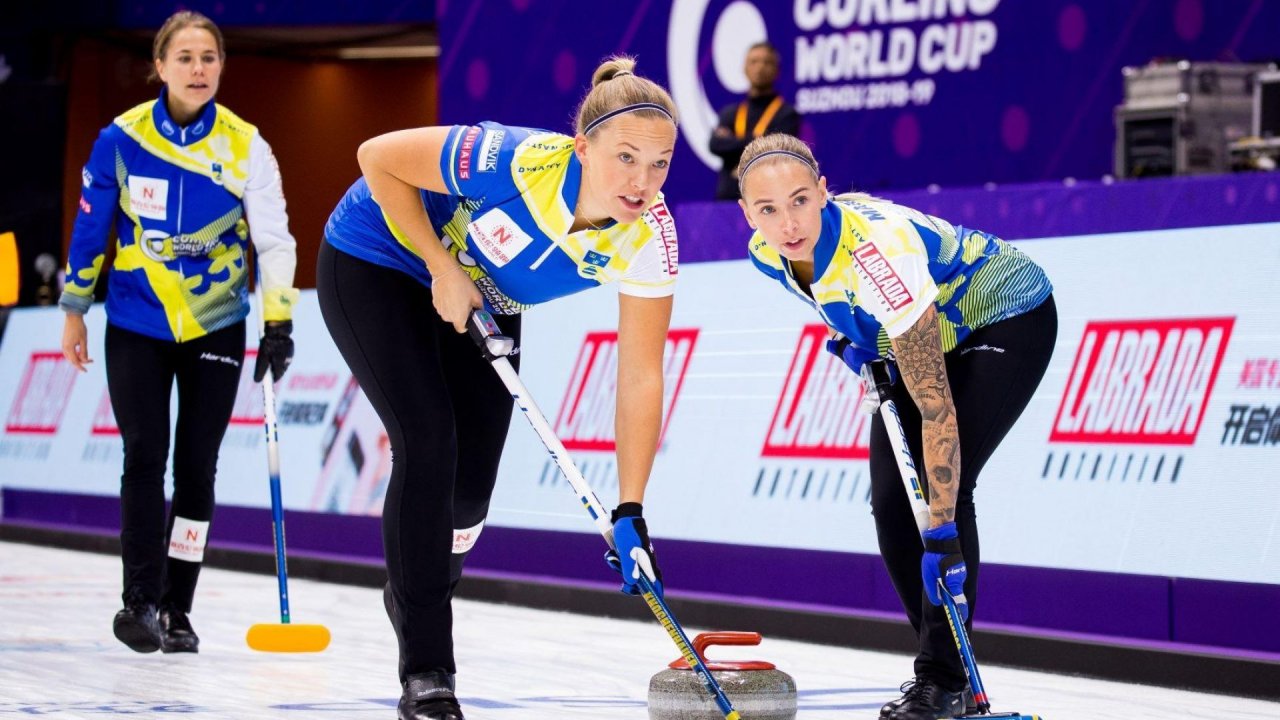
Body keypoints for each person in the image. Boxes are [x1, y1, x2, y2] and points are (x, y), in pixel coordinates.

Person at [317, 55, 679, 720]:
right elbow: (377, 157)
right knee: (428, 442)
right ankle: (427, 668)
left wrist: (630, 507)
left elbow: (640, 373)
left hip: (485, 294)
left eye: (659, 164)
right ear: (583, 147)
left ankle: (419, 587)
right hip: (379, 255)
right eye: (625, 158)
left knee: (468, 496)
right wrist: (438, 265)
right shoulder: (514, 160)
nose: (642, 182)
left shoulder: (650, 238)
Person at [736, 134, 1057, 720]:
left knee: (943, 495)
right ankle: (946, 669)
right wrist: (855, 339)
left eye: (801, 200)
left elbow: (937, 409)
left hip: (1003, 316)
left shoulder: (879, 255)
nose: (789, 223)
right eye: (769, 209)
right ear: (748, 214)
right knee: (890, 506)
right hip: (918, 335)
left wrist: (943, 535)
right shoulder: (765, 253)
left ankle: (941, 680)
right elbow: (838, 299)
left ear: (824, 192)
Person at [58, 10, 299, 655]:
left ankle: (178, 607)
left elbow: (275, 241)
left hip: (216, 323)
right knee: (144, 455)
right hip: (136, 320)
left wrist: (278, 322)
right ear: (159, 66)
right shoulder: (121, 139)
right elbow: (91, 228)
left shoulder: (247, 145)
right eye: (185, 58)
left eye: (209, 58)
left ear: (221, 67)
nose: (198, 69)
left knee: (197, 467)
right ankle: (138, 599)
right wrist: (75, 308)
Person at [709, 41, 802, 200]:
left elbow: (774, 149)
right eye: (754, 62)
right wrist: (758, 140)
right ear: (744, 68)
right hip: (727, 200)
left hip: (766, 199)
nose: (760, 67)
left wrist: (732, 142)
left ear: (777, 70)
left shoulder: (787, 114)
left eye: (767, 62)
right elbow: (715, 145)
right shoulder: (730, 113)